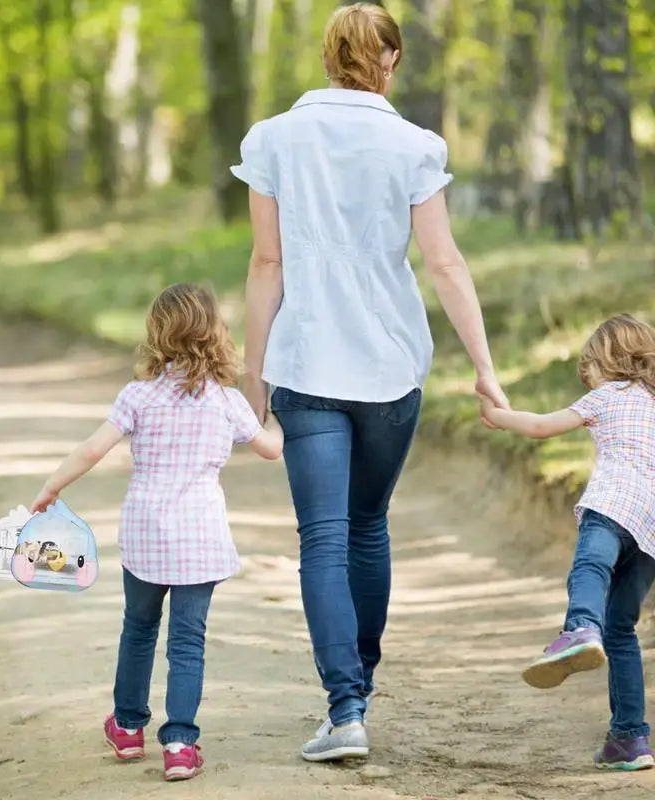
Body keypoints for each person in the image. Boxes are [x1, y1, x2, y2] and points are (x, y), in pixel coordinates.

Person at [231, 2, 508, 762]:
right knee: (366, 527)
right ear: (388, 61)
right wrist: (485, 370)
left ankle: (345, 707)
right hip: (389, 367)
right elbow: (445, 263)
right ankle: (363, 685)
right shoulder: (414, 145)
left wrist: (253, 380)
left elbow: (266, 264)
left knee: (321, 540)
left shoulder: (274, 140)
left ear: (328, 57)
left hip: (308, 364)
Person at [30, 283, 284, 782]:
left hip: (146, 534)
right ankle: (181, 744)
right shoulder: (228, 402)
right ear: (215, 335)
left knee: (139, 628)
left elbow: (91, 450)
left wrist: (51, 486)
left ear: (157, 336)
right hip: (201, 537)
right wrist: (272, 416)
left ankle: (127, 728)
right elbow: (271, 449)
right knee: (188, 641)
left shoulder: (138, 396)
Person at [479, 314, 655, 772]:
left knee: (589, 568)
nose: (586, 377)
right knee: (622, 629)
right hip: (651, 530)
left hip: (613, 505)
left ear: (608, 361)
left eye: (589, 367)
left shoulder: (609, 395)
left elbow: (541, 426)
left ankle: (579, 628)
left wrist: (497, 415)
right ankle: (630, 738)